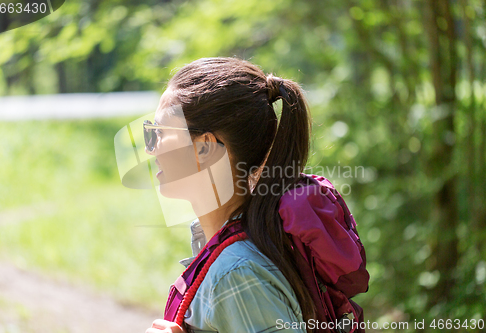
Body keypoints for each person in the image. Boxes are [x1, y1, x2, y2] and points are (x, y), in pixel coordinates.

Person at [144, 57, 357, 333]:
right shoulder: (235, 245)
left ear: (204, 148)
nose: (151, 148)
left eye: (159, 132)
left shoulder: (235, 275)